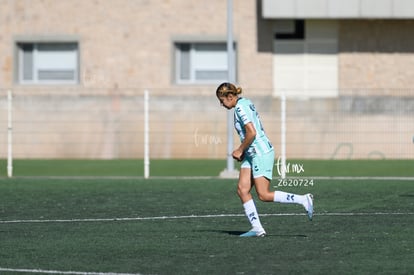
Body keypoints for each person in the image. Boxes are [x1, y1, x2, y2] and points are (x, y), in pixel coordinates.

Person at [216, 82, 313, 237]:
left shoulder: (240, 108)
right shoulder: (245, 102)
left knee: (263, 195)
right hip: (251, 153)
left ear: (230, 96)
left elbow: (252, 133)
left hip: (260, 152)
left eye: (222, 101)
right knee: (242, 189)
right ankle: (257, 228)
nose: (221, 104)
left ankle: (303, 199)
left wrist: (239, 149)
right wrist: (244, 152)